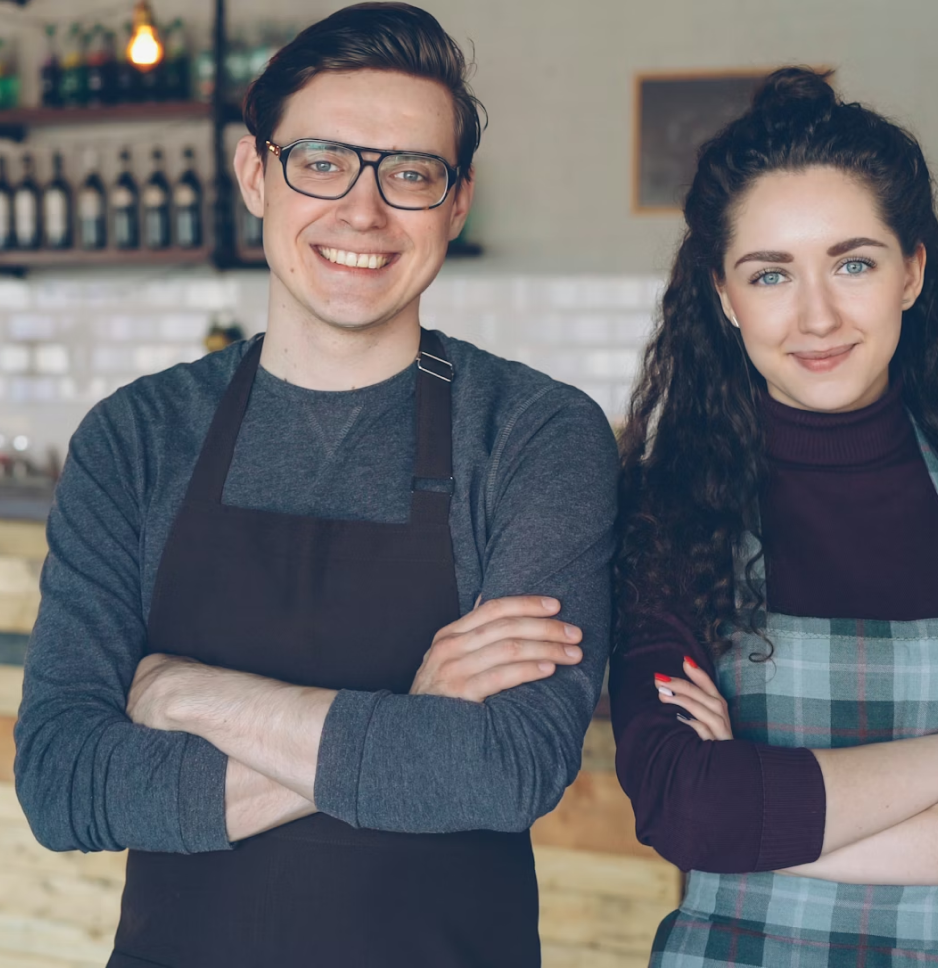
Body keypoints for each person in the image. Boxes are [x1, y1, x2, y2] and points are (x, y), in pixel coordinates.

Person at [15, 5, 617, 967]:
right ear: (257, 174)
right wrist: (413, 720)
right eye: (324, 162)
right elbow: (64, 783)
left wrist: (185, 694)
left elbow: (508, 770)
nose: (363, 213)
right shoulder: (135, 438)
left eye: (410, 174)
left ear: (456, 204)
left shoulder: (536, 434)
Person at [609, 68, 938, 968]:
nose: (817, 316)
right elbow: (686, 808)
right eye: (770, 274)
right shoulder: (672, 515)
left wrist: (768, 830)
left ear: (912, 272)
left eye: (853, 263)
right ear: (725, 297)